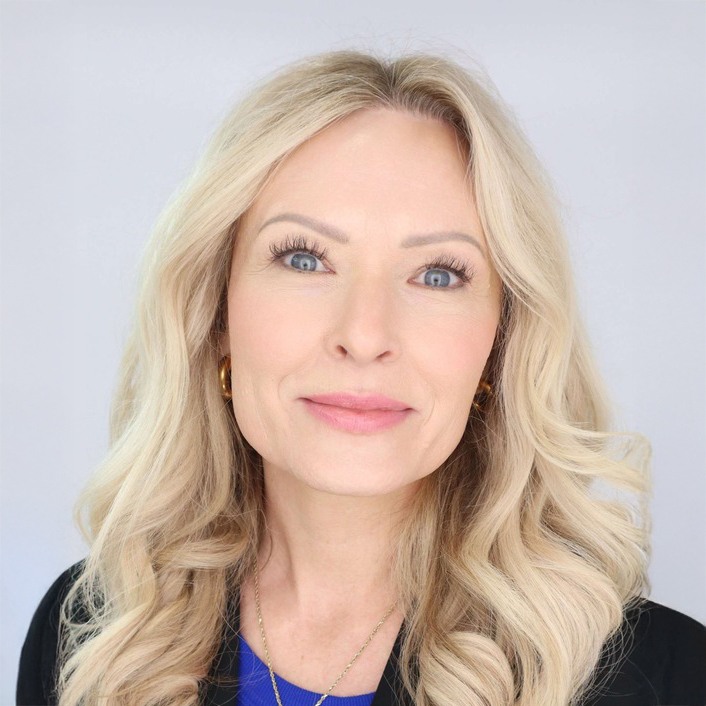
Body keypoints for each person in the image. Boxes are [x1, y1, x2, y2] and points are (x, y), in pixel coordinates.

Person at [16, 49, 706, 706]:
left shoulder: (665, 677)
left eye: (438, 274)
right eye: (304, 259)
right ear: (216, 313)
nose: (366, 334)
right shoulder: (96, 641)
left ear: (501, 343)